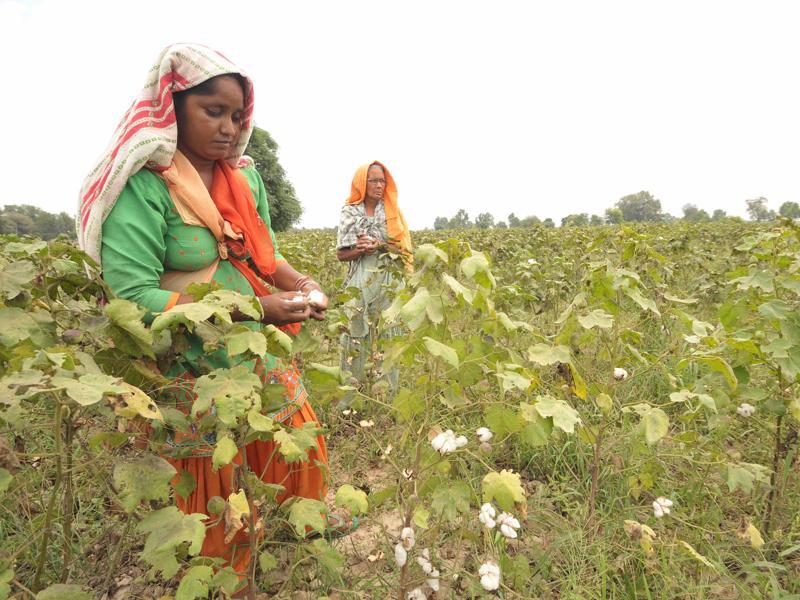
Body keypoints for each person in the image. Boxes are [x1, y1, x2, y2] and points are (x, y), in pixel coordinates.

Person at [78, 44, 330, 579]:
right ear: (172, 109)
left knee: (294, 442)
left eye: (237, 116)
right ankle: (223, 579)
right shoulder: (144, 188)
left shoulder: (244, 178)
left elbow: (263, 253)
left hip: (255, 351)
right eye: (212, 111)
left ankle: (284, 550)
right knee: (212, 484)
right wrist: (253, 310)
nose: (229, 128)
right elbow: (132, 298)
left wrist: (304, 286)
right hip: (188, 362)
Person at [336, 161, 413, 391]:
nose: (379, 185)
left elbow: (403, 249)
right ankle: (351, 391)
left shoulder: (391, 210)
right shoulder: (350, 210)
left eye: (383, 181)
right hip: (361, 278)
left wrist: (380, 245)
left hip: (389, 278)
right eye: (374, 180)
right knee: (355, 330)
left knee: (389, 331)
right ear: (362, 183)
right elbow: (341, 254)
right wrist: (360, 249)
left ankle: (387, 392)